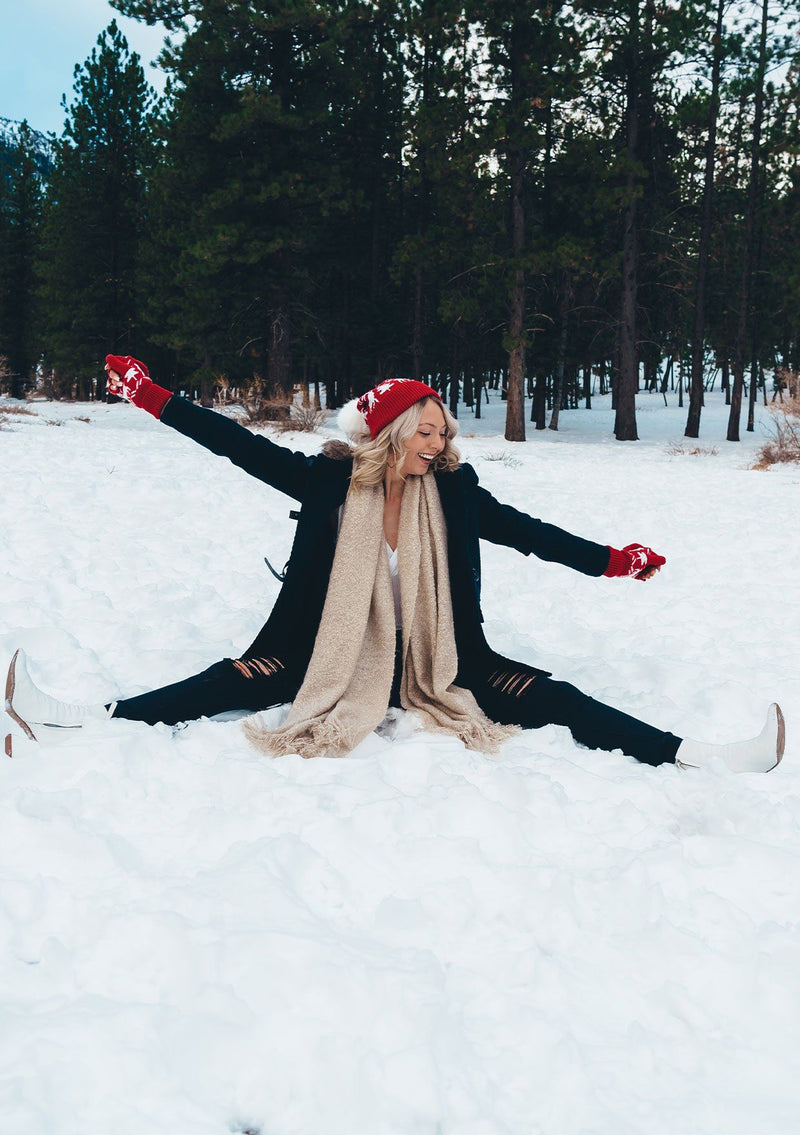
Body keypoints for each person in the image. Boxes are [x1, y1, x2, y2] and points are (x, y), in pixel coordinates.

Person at [5, 356, 785, 772]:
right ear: (394, 430)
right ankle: (81, 718)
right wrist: (153, 397)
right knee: (228, 681)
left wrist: (614, 560)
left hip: (443, 660)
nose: (441, 444)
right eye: (429, 431)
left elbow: (529, 532)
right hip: (322, 653)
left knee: (555, 695)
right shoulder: (326, 482)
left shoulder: (454, 493)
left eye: (445, 433)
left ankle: (698, 754)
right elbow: (236, 444)